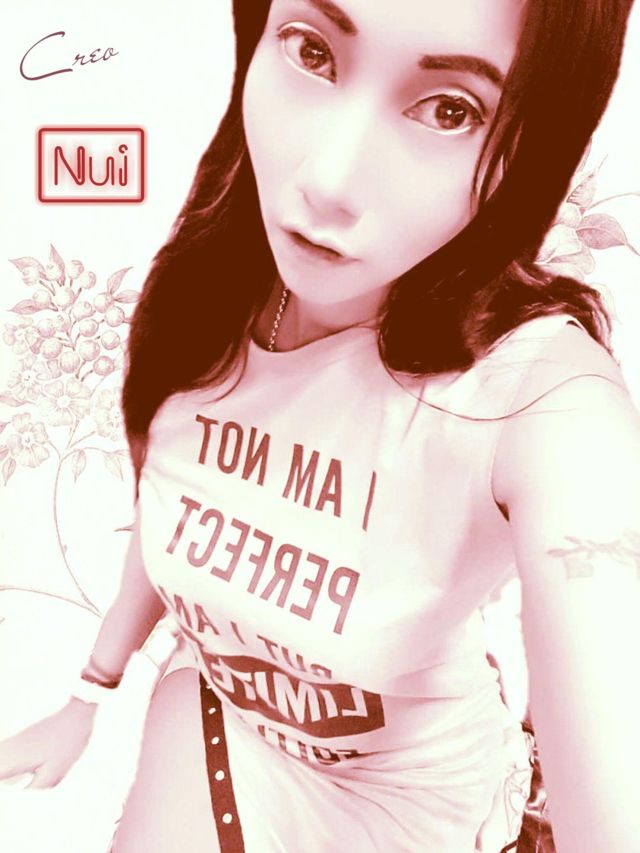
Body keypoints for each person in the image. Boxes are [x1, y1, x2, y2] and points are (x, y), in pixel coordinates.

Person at [1, 0, 639, 850]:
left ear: (526, 144)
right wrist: (88, 695)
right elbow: (174, 510)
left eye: (450, 109)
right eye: (311, 52)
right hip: (230, 722)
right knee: (184, 699)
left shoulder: (537, 394)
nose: (328, 180)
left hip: (419, 808)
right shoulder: (209, 307)